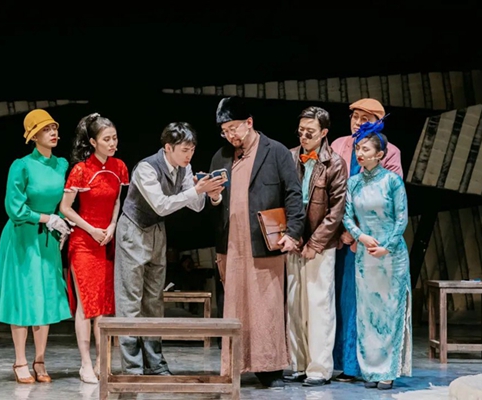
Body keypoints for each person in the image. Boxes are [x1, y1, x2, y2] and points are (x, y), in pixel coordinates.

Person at [208, 96, 304, 388]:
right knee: (234, 306)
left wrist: (294, 232)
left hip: (264, 242)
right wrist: (214, 198)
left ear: (249, 123)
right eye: (225, 131)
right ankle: (233, 365)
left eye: (234, 128)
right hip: (232, 243)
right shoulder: (221, 157)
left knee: (266, 306)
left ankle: (270, 369)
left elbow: (293, 193)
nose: (230, 135)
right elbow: (215, 200)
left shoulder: (276, 152)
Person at [114, 122, 224, 375]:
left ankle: (155, 363)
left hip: (157, 233)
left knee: (154, 300)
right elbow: (161, 205)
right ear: (168, 147)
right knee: (130, 301)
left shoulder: (184, 169)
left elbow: (196, 205)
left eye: (192, 150)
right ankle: (132, 369)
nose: (189, 155)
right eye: (185, 150)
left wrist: (208, 192)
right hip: (133, 231)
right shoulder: (146, 168)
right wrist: (195, 190)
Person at [0, 109, 73, 384]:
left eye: (54, 128)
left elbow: (63, 202)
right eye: (45, 129)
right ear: (33, 136)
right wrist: (47, 218)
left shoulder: (61, 165)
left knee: (45, 296)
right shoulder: (22, 166)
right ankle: (20, 360)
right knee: (24, 297)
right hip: (23, 237)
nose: (53, 133)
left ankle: (40, 360)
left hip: (48, 239)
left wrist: (60, 222)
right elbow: (14, 208)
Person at [330, 98, 403, 382]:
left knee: (367, 303)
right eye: (355, 117)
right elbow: (332, 191)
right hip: (339, 235)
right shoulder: (339, 145)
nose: (358, 123)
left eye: (365, 118)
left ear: (378, 123)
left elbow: (388, 200)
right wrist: (342, 230)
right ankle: (346, 364)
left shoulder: (390, 152)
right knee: (342, 301)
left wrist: (358, 233)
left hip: (372, 240)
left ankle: (371, 366)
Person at [59, 113, 129, 383]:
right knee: (86, 306)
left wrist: (112, 226)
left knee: (103, 306)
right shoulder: (80, 170)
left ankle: (102, 361)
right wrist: (91, 229)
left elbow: (117, 201)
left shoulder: (119, 167)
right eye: (106, 139)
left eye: (115, 138)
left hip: (107, 242)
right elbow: (65, 208)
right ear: (93, 142)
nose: (112, 143)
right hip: (84, 243)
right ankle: (85, 364)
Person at [342, 119, 411, 390]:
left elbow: (401, 219)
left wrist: (387, 246)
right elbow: (347, 216)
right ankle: (370, 370)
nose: (359, 153)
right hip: (365, 256)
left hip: (391, 256)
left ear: (380, 154)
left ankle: (388, 370)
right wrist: (360, 236)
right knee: (367, 314)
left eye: (366, 150)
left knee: (389, 312)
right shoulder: (353, 183)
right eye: (358, 149)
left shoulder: (392, 181)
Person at [286, 106, 347, 387]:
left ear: (324, 133)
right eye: (300, 131)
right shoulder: (290, 157)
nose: (304, 136)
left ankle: (319, 368)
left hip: (321, 244)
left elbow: (337, 210)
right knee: (294, 305)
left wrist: (315, 242)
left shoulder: (334, 163)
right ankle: (297, 363)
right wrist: (292, 235)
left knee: (319, 304)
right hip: (294, 241)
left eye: (310, 132)